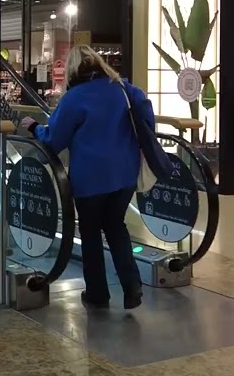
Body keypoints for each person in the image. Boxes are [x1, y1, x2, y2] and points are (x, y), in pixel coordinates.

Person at [21, 45, 149, 310]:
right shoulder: (123, 88)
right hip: (125, 175)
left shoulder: (75, 98)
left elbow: (54, 140)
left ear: (72, 69)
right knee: (116, 227)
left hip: (90, 179)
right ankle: (132, 285)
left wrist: (34, 128)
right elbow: (146, 116)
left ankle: (98, 294)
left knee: (90, 233)